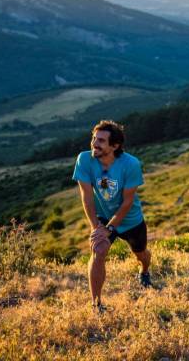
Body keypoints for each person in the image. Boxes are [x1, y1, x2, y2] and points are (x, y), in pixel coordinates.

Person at [72, 120, 152, 313]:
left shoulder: (131, 164)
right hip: (101, 216)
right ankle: (96, 304)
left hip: (130, 219)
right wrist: (97, 228)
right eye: (93, 139)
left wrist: (110, 228)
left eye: (100, 141)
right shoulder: (84, 160)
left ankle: (145, 271)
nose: (94, 144)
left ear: (115, 146)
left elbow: (127, 202)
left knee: (141, 253)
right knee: (98, 251)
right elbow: (87, 198)